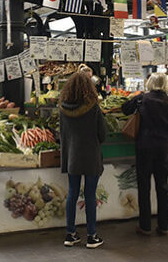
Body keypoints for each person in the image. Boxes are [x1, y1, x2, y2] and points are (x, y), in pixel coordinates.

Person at [122, 73, 168, 237]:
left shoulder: (142, 99)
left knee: (144, 187)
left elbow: (124, 109)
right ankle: (164, 226)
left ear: (150, 83)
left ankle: (145, 226)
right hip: (163, 149)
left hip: (145, 147)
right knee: (162, 187)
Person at [58, 72, 107, 249]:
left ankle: (70, 234)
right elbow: (102, 133)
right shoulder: (93, 108)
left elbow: (61, 134)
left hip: (72, 156)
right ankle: (92, 236)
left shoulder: (62, 109)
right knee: (90, 194)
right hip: (91, 155)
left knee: (72, 192)